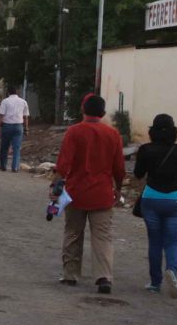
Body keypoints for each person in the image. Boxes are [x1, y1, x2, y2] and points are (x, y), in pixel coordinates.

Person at [54, 93, 126, 293]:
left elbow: (63, 164)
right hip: (102, 194)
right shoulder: (113, 135)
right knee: (102, 237)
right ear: (103, 112)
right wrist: (118, 187)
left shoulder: (74, 132)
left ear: (83, 110)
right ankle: (104, 277)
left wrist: (55, 187)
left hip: (76, 193)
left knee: (73, 233)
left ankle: (70, 274)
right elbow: (119, 168)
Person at [131, 114, 177, 298]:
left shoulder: (145, 149)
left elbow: (138, 174)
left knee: (155, 241)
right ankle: (172, 271)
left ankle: (155, 282)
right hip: (175, 200)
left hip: (151, 198)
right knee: (172, 240)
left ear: (152, 131)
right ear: (174, 131)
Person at [0, 90, 29, 172]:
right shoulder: (23, 102)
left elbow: (1, 115)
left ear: (8, 93)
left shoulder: (5, 101)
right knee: (16, 148)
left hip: (7, 126)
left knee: (4, 147)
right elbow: (25, 117)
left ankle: (3, 166)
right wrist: (26, 129)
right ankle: (15, 167)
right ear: (17, 93)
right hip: (18, 126)